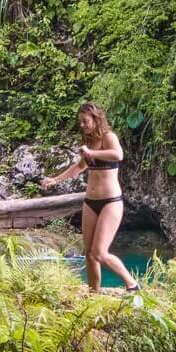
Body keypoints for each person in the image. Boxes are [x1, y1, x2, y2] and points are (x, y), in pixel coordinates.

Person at [40, 102, 141, 294]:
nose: (82, 125)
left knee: (100, 252)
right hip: (90, 202)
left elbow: (117, 155)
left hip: (110, 202)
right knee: (89, 254)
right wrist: (55, 179)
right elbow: (79, 167)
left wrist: (91, 152)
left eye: (85, 121)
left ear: (95, 119)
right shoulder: (89, 141)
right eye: (81, 122)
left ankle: (132, 284)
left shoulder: (108, 137)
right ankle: (94, 294)